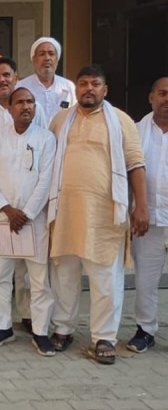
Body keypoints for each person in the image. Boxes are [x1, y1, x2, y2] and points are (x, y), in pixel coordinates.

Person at [48, 64, 148, 365]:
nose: (88, 88)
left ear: (105, 89)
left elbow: (135, 164)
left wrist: (141, 206)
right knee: (64, 274)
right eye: (83, 83)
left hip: (104, 213)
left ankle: (104, 337)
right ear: (76, 89)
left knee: (105, 277)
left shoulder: (121, 121)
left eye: (95, 83)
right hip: (66, 212)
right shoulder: (61, 120)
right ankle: (63, 328)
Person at [0, 87, 56, 356]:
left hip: (33, 221)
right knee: (0, 276)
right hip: (4, 219)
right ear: (10, 108)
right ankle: (2, 327)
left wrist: (27, 213)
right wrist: (7, 209)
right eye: (20, 102)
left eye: (30, 102)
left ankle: (40, 332)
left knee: (38, 280)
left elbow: (46, 180)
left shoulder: (46, 139)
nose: (26, 106)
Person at [0, 57, 45, 332]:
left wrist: (26, 212)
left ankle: (31, 319)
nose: (2, 80)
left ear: (16, 77)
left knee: (31, 272)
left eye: (7, 75)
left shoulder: (42, 128)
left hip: (32, 212)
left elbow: (45, 172)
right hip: (0, 208)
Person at [129, 76, 168, 353]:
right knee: (145, 279)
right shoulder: (135, 131)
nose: (167, 99)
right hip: (147, 219)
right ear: (151, 97)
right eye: (162, 93)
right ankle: (145, 330)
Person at [18, 37, 77, 123]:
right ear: (34, 60)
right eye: (42, 54)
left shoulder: (68, 86)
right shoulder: (21, 87)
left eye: (51, 54)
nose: (47, 58)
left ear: (57, 60)